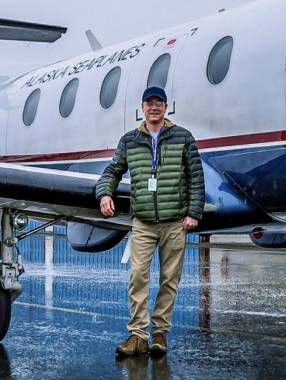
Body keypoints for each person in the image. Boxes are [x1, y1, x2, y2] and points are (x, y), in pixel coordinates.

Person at [95, 86, 204, 356]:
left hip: (174, 221)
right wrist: (104, 194)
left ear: (166, 107)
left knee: (170, 279)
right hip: (143, 222)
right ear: (142, 108)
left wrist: (193, 213)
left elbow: (196, 178)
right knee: (138, 276)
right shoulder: (130, 140)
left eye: (159, 103)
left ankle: (159, 334)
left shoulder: (183, 137)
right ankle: (137, 335)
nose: (154, 107)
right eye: (149, 103)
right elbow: (113, 170)